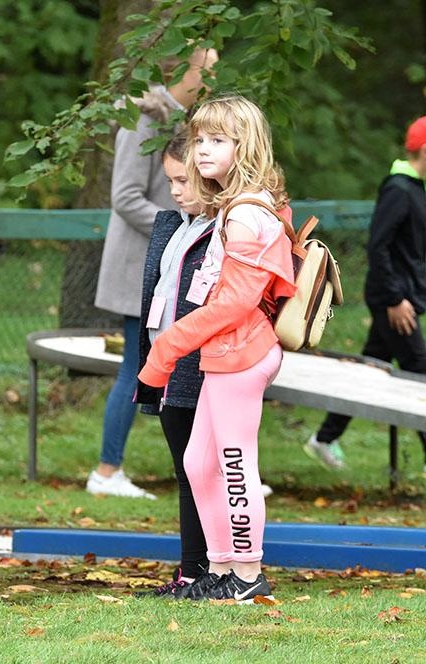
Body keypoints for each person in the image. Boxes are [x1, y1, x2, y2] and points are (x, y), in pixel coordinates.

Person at [138, 96, 296, 602]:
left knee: (233, 465)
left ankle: (247, 576)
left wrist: (164, 353)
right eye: (199, 139)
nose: (201, 150)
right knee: (199, 463)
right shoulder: (237, 205)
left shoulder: (245, 213)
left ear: (243, 146)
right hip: (224, 354)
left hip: (241, 355)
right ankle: (221, 569)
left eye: (217, 141)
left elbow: (233, 304)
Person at [88, 47, 219, 499]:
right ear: (184, 70)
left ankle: (206, 468)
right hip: (140, 269)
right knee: (136, 367)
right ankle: (107, 471)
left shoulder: (187, 122)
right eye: (208, 69)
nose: (212, 78)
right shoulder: (143, 118)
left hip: (173, 269)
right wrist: (183, 229)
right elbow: (125, 198)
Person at [305, 115, 426, 474]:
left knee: (371, 368)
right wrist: (394, 299)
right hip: (393, 302)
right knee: (420, 372)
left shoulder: (415, 189)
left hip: (401, 298)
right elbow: (378, 247)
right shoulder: (399, 189)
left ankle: (324, 438)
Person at [134, 132, 216, 594]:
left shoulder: (225, 229)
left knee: (202, 471)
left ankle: (213, 570)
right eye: (170, 181)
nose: (176, 191)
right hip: (165, 364)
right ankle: (191, 571)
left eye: (184, 180)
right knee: (185, 471)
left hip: (198, 367)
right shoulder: (173, 224)